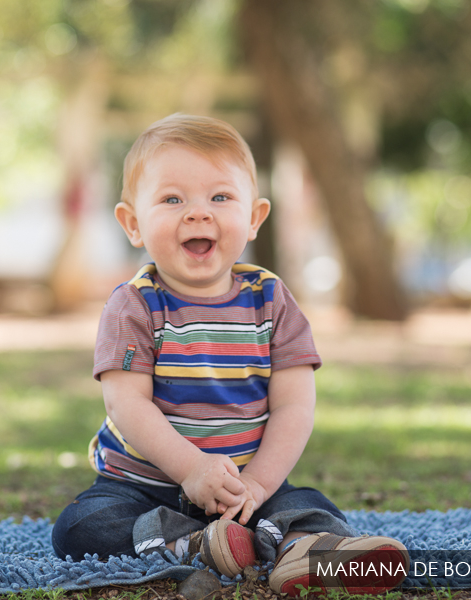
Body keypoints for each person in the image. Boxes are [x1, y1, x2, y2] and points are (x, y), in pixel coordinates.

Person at [52, 114, 408, 596]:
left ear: (255, 217)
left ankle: (306, 551)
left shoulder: (271, 299)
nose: (198, 213)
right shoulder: (133, 304)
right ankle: (197, 544)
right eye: (172, 199)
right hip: (143, 487)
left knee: (307, 504)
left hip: (245, 486)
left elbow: (293, 404)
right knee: (81, 526)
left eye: (220, 197)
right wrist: (192, 470)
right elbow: (126, 404)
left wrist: (259, 485)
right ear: (133, 224)